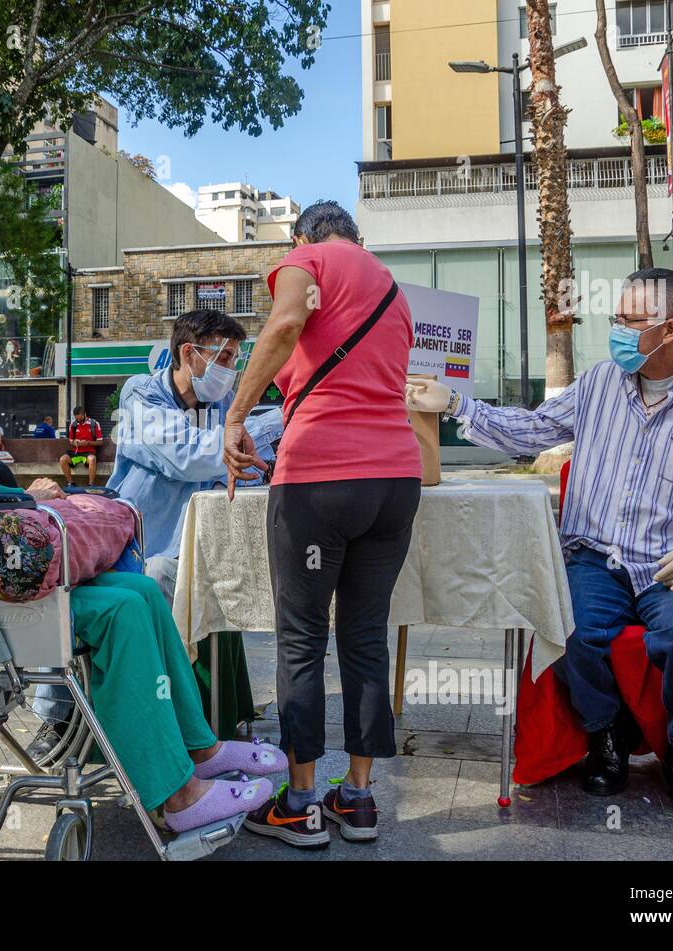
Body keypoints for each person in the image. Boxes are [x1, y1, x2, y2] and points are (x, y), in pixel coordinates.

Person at [0, 318, 287, 831]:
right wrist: (18, 496)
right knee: (119, 610)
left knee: (144, 590)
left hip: (6, 577)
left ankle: (199, 747)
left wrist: (32, 492)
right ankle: (177, 797)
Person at [407, 268, 673, 828]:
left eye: (627, 321)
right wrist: (457, 404)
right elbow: (531, 430)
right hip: (595, 553)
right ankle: (605, 733)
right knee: (569, 626)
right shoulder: (600, 382)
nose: (616, 331)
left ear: (669, 329)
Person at [223, 200, 423, 848]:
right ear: (356, 236)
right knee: (365, 635)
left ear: (301, 235)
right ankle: (359, 798)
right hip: (395, 480)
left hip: (321, 480)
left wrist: (234, 415)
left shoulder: (305, 259)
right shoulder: (393, 291)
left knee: (302, 638)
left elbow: (283, 326)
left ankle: (301, 801)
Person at [102, 309, 281, 740]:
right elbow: (185, 454)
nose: (230, 370)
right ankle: (61, 719)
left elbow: (247, 464)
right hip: (145, 544)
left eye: (236, 360)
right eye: (224, 358)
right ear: (190, 353)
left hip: (204, 540)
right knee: (160, 577)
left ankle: (223, 716)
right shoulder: (140, 396)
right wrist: (276, 421)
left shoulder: (222, 407)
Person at [60, 406, 104, 486]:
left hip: (88, 452)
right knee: (63, 459)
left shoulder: (94, 424)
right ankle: (71, 483)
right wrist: (75, 442)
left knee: (92, 459)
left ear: (85, 415)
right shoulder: (73, 425)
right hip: (76, 452)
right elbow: (71, 441)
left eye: (80, 419)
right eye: (77, 419)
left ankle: (91, 484)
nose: (79, 421)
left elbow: (100, 442)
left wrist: (88, 443)